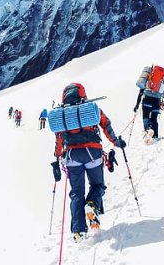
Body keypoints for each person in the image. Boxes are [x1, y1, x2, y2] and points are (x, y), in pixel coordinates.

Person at [53, 83, 126, 242]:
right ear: (82, 94)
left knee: (76, 193)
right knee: (98, 185)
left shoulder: (62, 115)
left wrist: (57, 156)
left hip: (72, 156)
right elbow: (106, 125)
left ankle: (78, 231)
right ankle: (92, 205)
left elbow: (59, 139)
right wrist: (116, 142)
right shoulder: (90, 109)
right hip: (92, 153)